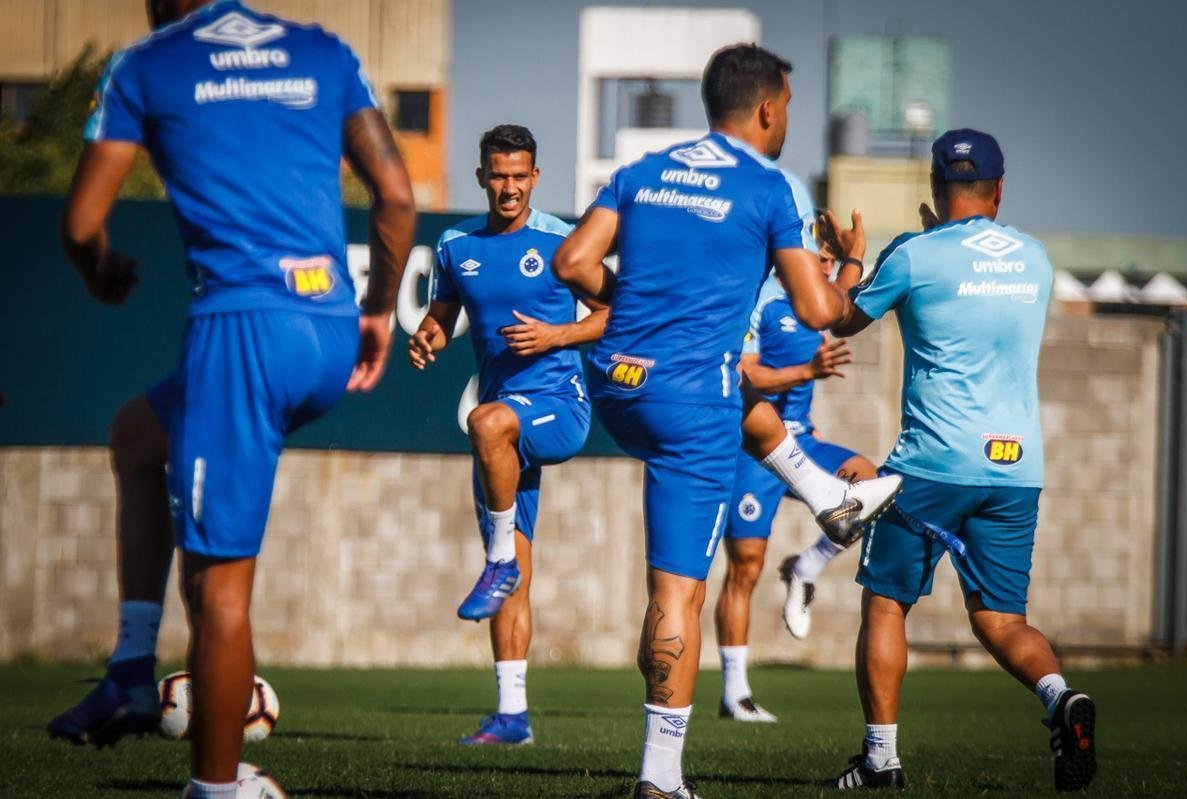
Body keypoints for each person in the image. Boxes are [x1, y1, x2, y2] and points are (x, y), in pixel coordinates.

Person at [47, 2, 416, 796]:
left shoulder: (147, 65)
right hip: (325, 325)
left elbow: (80, 224)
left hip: (242, 331)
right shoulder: (322, 49)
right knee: (138, 436)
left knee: (220, 592)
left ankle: (213, 788)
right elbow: (395, 196)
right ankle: (132, 666)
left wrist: (100, 269)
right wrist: (379, 310)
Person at [553, 43, 897, 799]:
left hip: (617, 380)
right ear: (770, 108)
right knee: (678, 592)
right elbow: (817, 311)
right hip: (688, 401)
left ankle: (826, 496)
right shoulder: (768, 188)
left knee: (749, 405)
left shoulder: (644, 170)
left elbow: (572, 262)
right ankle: (660, 779)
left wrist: (632, 303)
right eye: (788, 111)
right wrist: (851, 272)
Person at [818, 129, 1096, 792]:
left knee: (886, 603)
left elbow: (841, 318)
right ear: (999, 189)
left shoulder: (915, 253)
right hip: (1015, 468)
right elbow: (977, 269)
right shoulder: (1034, 258)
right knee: (1000, 618)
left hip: (933, 464)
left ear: (936, 190)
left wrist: (856, 259)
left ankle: (881, 757)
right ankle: (1061, 698)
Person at [408, 124, 606, 747]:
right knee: (514, 563)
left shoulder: (561, 243)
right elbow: (443, 318)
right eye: (499, 176)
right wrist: (428, 338)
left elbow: (619, 311)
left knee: (485, 423)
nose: (510, 187)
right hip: (503, 425)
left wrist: (556, 337)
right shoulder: (455, 245)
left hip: (559, 407)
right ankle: (512, 716)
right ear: (481, 178)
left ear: (535, 178)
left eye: (521, 176)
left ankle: (496, 561)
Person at [716, 225, 878, 723]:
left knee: (869, 483)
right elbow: (742, 373)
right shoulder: (762, 299)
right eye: (819, 259)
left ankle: (806, 566)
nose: (826, 270)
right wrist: (806, 372)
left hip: (804, 441)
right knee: (744, 567)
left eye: (830, 262)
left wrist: (855, 254)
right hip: (754, 447)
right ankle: (734, 692)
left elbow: (846, 297)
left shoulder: (821, 302)